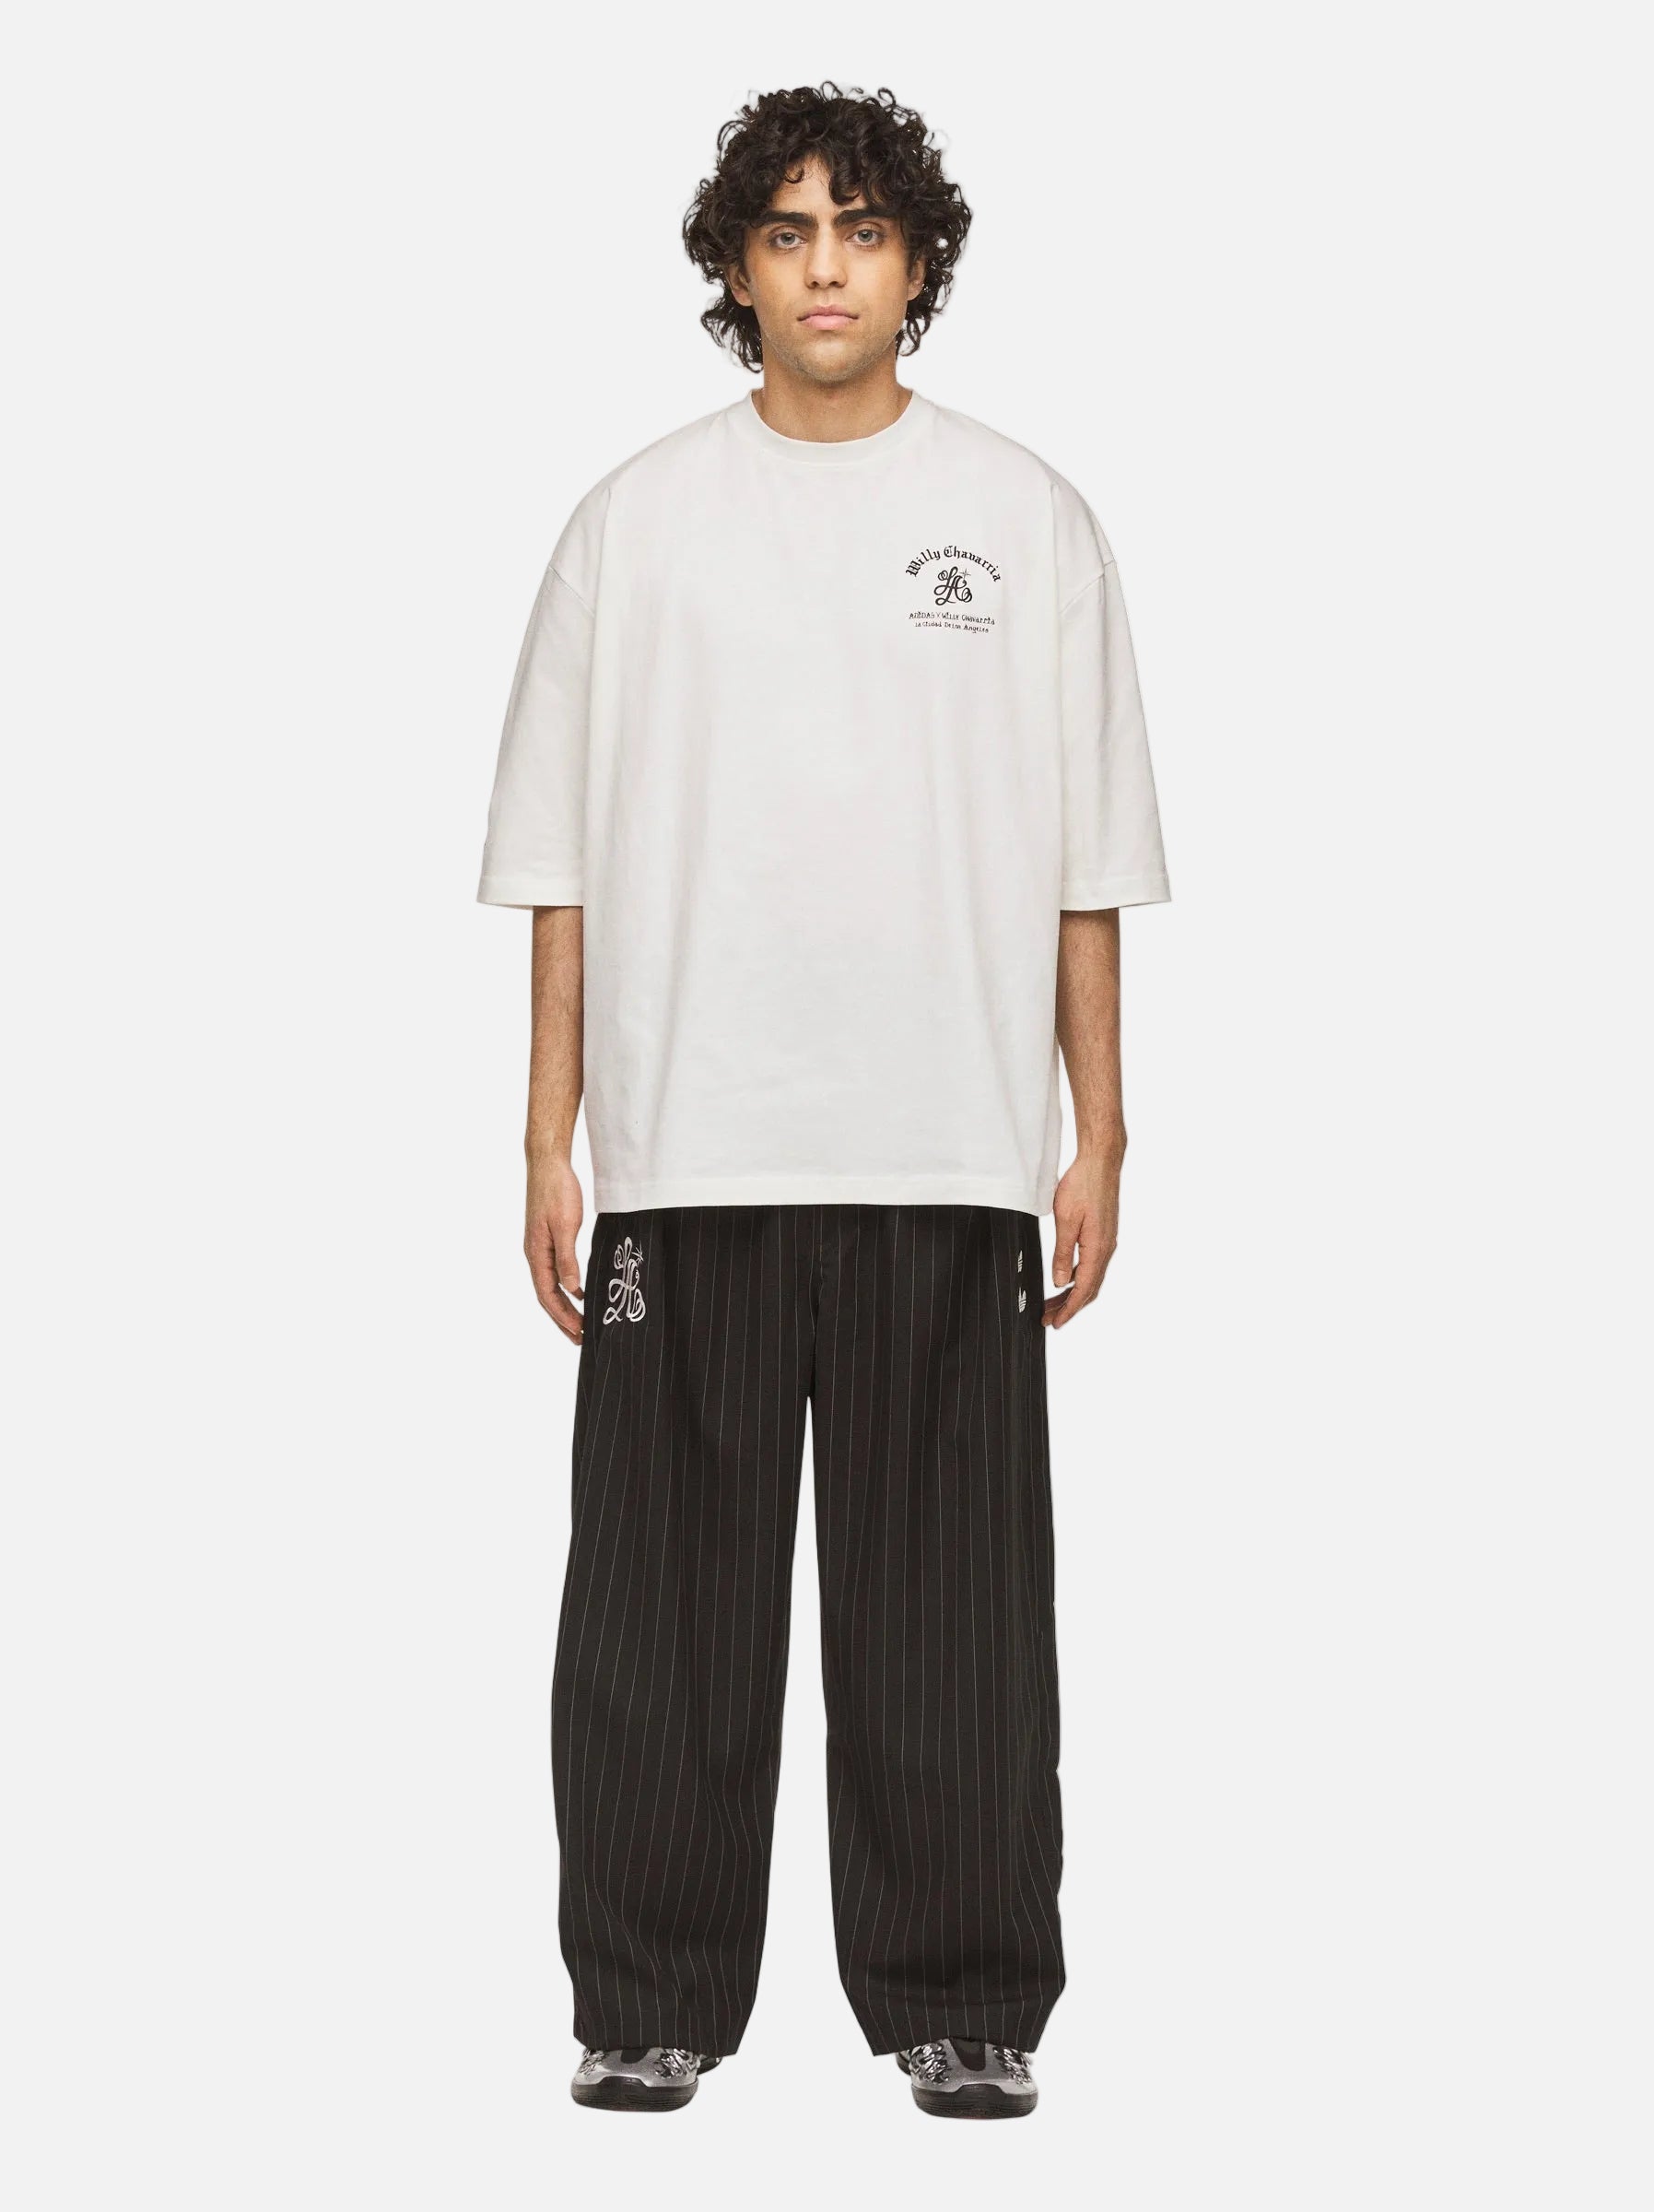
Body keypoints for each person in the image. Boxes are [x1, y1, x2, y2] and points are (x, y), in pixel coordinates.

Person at [476, 82, 1170, 2121]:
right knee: (658, 1614)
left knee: (953, 1621)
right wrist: (547, 1137)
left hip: (947, 1142)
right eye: (787, 232)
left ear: (919, 259)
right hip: (687, 1146)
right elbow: (560, 861)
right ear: (735, 267)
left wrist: (1102, 1131)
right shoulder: (633, 524)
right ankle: (648, 1996)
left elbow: (1086, 862)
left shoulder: (1030, 521)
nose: (828, 268)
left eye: (862, 229)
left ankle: (965, 1998)